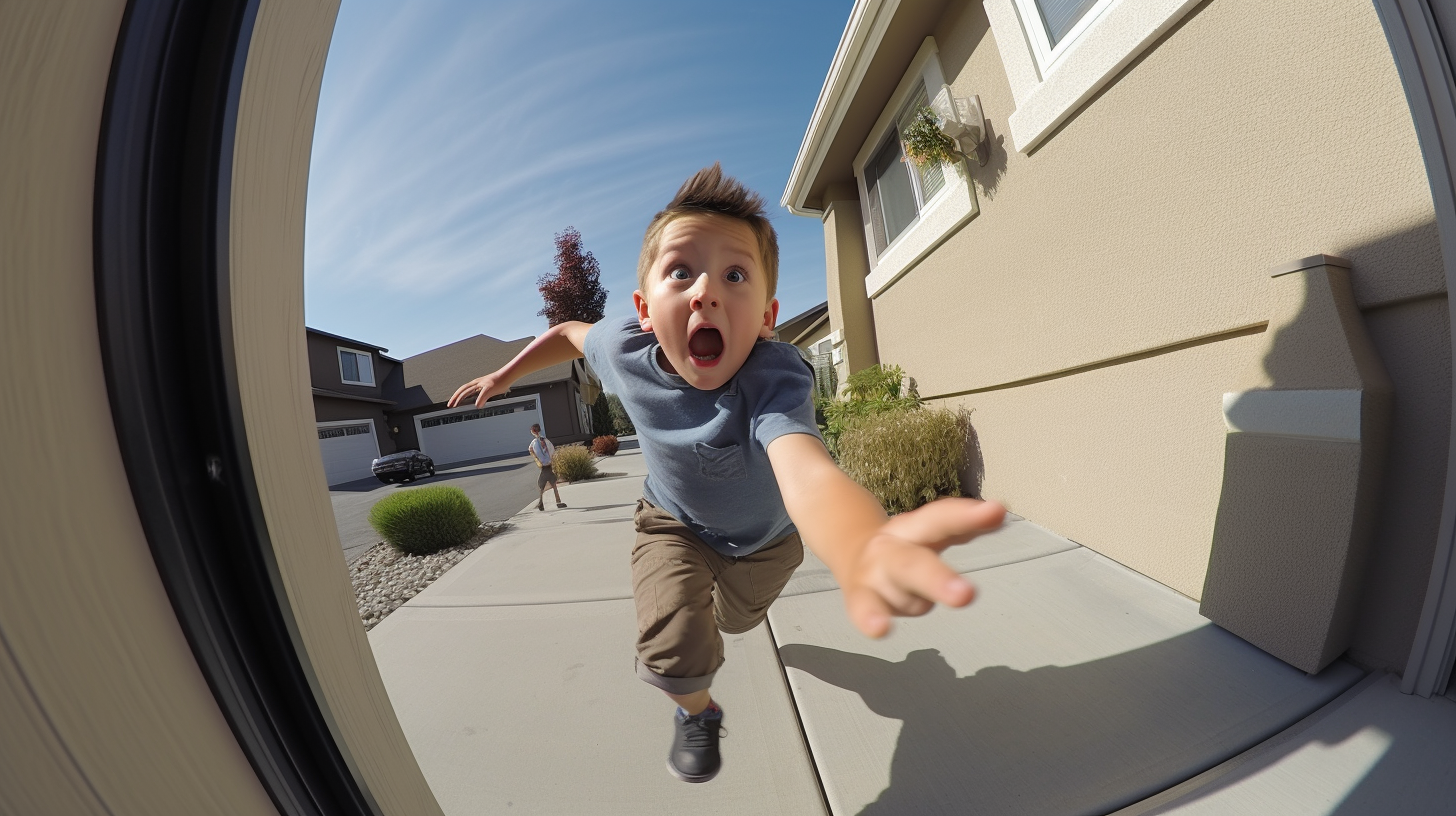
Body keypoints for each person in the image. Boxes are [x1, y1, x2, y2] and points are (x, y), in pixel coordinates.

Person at [448, 164, 1006, 784]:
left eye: (734, 274)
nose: (704, 291)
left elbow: (804, 465)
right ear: (643, 309)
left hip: (768, 543)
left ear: (766, 318)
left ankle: (731, 617)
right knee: (672, 648)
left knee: (737, 621)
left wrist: (856, 539)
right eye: (680, 271)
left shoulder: (773, 376)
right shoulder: (624, 347)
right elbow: (568, 333)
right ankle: (699, 710)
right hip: (673, 525)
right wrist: (504, 376)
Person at [527, 423, 566, 511]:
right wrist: (550, 459)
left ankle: (541, 503)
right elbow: (552, 449)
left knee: (541, 485)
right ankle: (557, 501)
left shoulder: (534, 443)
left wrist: (540, 461)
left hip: (544, 468)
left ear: (533, 431)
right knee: (553, 484)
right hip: (549, 466)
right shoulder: (545, 440)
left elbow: (531, 450)